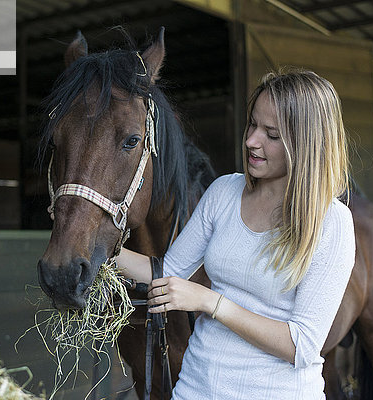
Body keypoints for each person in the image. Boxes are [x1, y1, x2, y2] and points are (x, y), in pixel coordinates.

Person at [116, 68, 355, 399]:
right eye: (253, 124)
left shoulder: (332, 222)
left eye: (271, 135)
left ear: (307, 144)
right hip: (195, 389)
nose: (251, 141)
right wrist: (102, 250)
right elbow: (169, 273)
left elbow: (301, 346)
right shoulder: (224, 192)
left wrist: (211, 301)